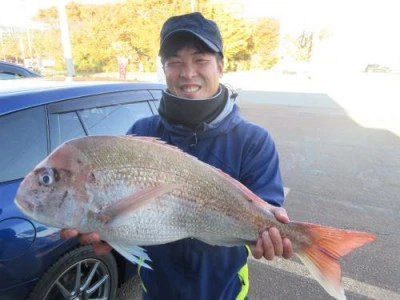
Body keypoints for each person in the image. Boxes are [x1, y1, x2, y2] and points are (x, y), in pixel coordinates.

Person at [61, 12, 293, 299]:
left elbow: (267, 206)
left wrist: (270, 234)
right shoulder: (141, 132)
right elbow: (126, 214)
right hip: (157, 292)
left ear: (221, 65)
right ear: (164, 69)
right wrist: (110, 232)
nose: (187, 73)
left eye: (200, 60)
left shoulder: (253, 140)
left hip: (224, 292)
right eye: (175, 63)